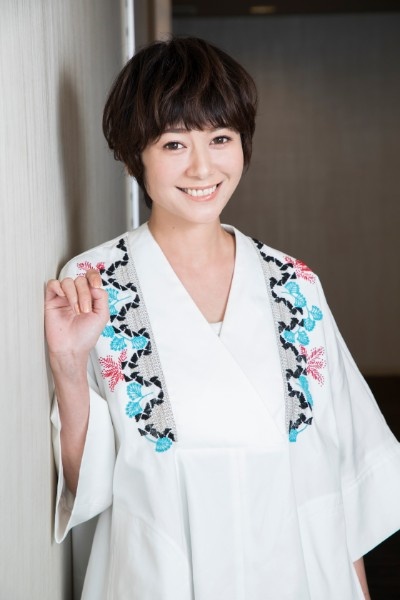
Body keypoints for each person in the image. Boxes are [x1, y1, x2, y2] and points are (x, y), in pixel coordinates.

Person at [45, 36, 400, 600]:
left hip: (298, 577)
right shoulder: (96, 283)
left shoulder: (294, 284)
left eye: (220, 138)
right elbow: (89, 481)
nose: (202, 167)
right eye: (174, 144)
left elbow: (340, 475)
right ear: (135, 154)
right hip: (159, 578)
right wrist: (67, 364)